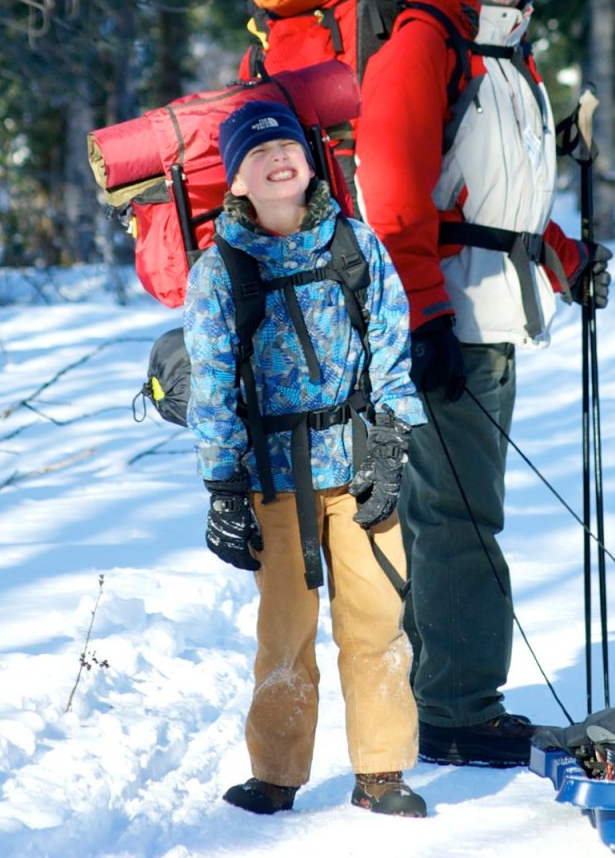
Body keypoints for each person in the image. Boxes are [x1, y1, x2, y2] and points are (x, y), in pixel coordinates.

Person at [354, 0, 613, 768]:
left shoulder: (503, 52)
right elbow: (390, 196)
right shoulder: (424, 43)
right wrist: (424, 318)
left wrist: (564, 259)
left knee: (453, 511)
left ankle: (443, 695)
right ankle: (457, 710)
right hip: (446, 318)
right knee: (460, 518)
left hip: (487, 311)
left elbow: (497, 196)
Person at [185, 100, 431, 818]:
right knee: (284, 634)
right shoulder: (221, 270)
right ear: (236, 185)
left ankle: (382, 770)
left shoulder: (354, 245)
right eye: (256, 157)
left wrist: (392, 439)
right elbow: (213, 382)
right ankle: (277, 772)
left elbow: (391, 344)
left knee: (377, 620)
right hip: (273, 476)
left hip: (357, 463)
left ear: (310, 159)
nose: (276, 160)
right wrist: (224, 486)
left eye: (285, 147)